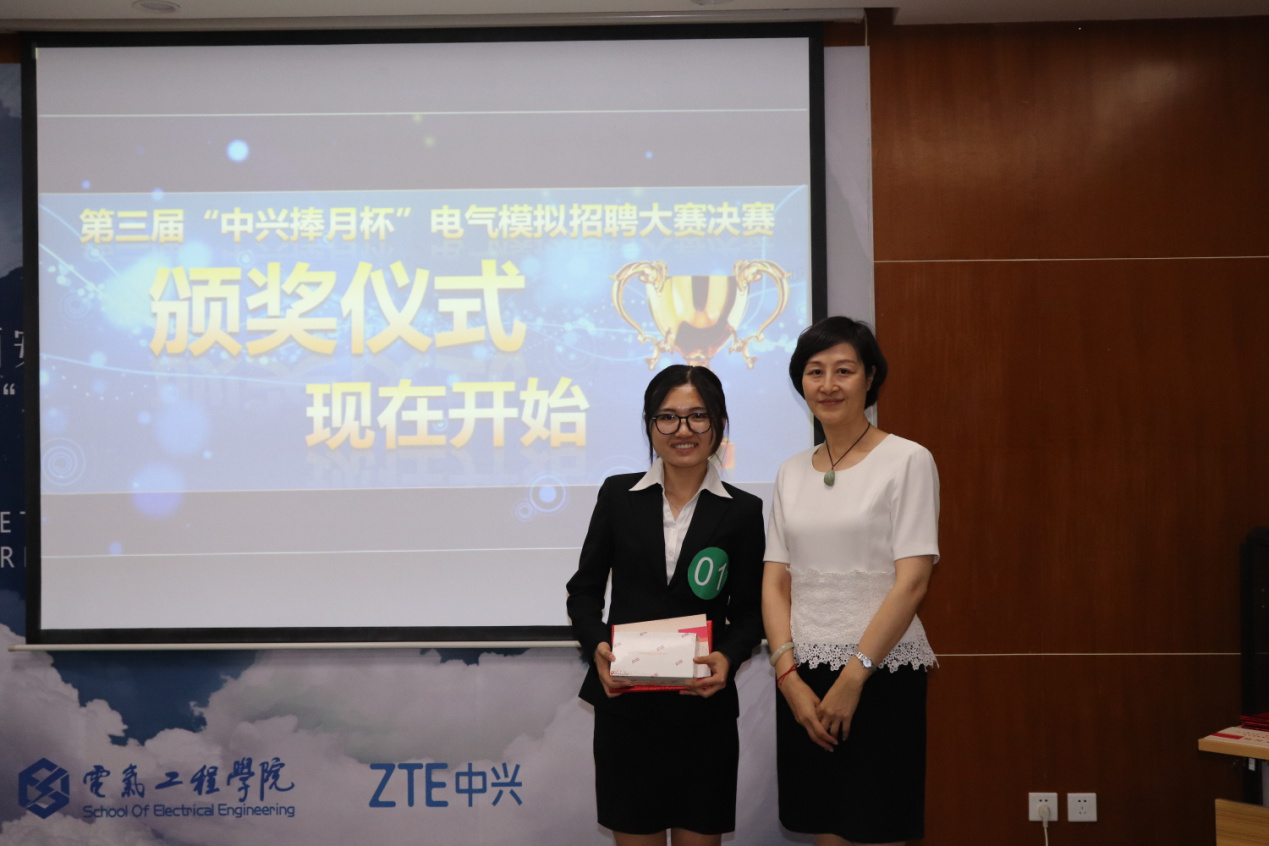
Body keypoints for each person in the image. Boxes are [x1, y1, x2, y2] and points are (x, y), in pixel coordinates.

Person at [566, 364, 765, 846]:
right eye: (668, 417)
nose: (683, 430)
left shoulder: (743, 510)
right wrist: (597, 646)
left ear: (719, 423)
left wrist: (727, 657)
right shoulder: (618, 495)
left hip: (703, 713)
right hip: (627, 710)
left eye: (698, 416)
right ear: (650, 425)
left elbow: (751, 611)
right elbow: (584, 591)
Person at [762, 316, 940, 846]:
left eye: (844, 370)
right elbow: (775, 583)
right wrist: (789, 679)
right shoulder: (791, 470)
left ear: (870, 377)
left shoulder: (907, 459)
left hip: (879, 673)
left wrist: (853, 679)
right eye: (814, 371)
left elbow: (912, 582)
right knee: (827, 832)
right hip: (803, 680)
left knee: (875, 829)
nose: (828, 384)